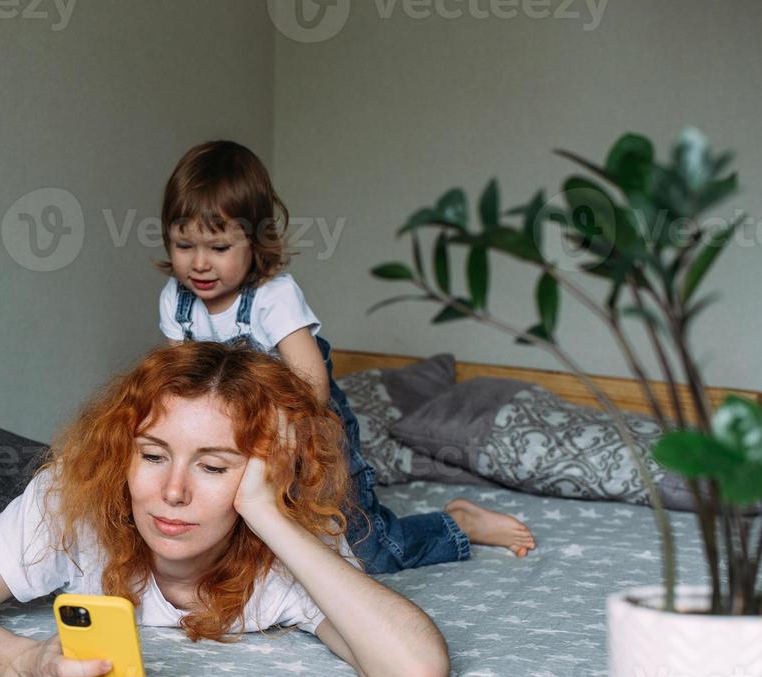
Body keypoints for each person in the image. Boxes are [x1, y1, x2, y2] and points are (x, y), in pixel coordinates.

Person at [0, 342, 450, 677]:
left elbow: (415, 671)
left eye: (213, 467)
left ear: (268, 472)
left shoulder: (291, 536)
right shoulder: (71, 499)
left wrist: (265, 510)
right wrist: (25, 665)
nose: (173, 492)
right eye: (153, 456)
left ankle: (458, 521)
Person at [156, 139, 535, 570]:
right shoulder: (177, 299)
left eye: (219, 248)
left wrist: (278, 445)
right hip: (233, 434)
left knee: (367, 552)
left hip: (309, 429)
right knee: (250, 537)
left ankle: (458, 524)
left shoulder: (272, 297)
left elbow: (311, 385)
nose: (200, 264)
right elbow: (180, 380)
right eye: (184, 246)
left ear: (256, 242)